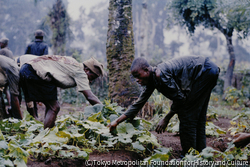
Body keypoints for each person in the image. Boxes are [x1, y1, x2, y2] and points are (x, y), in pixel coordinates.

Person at [108, 56, 220, 158]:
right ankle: (202, 154)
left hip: (204, 71)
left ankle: (188, 157)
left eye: (138, 76)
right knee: (198, 117)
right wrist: (116, 122)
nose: (137, 80)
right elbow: (138, 104)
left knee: (186, 115)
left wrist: (166, 119)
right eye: (135, 78)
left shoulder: (160, 75)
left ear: (147, 70)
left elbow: (180, 99)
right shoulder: (152, 80)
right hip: (209, 70)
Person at [19, 55, 104, 129]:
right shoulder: (80, 72)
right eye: (92, 77)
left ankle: (48, 130)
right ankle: (47, 136)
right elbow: (90, 97)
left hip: (27, 69)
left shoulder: (73, 63)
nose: (91, 81)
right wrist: (105, 110)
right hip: (33, 71)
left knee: (51, 106)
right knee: (54, 107)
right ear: (87, 70)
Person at [24, 29, 49, 117]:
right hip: (40, 71)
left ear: (35, 36)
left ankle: (33, 115)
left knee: (30, 93)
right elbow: (45, 59)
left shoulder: (30, 45)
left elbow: (25, 57)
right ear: (42, 37)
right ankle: (46, 114)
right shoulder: (45, 46)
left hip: (29, 70)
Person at [0, 55, 22, 119]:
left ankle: (3, 117)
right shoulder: (15, 74)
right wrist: (20, 119)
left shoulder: (15, 69)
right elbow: (14, 98)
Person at [0, 37, 14, 107]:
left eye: (0, 43)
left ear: (3, 44)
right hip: (10, 74)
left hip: (3, 74)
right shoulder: (10, 51)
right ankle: (10, 106)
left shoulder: (2, 51)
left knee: (4, 90)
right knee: (6, 91)